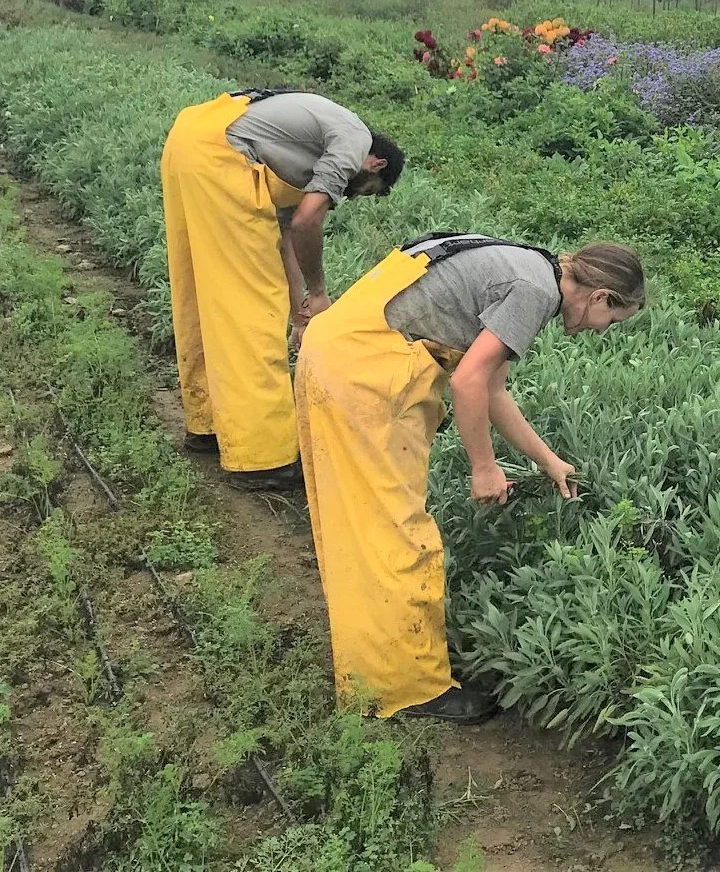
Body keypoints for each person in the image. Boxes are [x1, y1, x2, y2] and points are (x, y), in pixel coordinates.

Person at [294, 232, 644, 723]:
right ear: (600, 297)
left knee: (363, 527)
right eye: (613, 320)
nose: (603, 330)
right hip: (363, 379)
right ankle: (405, 689)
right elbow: (468, 380)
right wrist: (484, 468)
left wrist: (548, 460)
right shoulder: (535, 292)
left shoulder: (530, 266)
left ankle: (371, 665)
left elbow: (492, 386)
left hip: (342, 354)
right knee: (398, 537)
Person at [161, 88, 403, 491]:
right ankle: (261, 458)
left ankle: (207, 424)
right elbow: (309, 222)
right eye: (367, 190)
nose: (353, 195)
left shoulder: (295, 153)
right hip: (223, 161)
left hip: (191, 143)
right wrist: (321, 291)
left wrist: (300, 315)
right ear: (376, 164)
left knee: (205, 294)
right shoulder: (354, 138)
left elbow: (287, 235)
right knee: (251, 311)